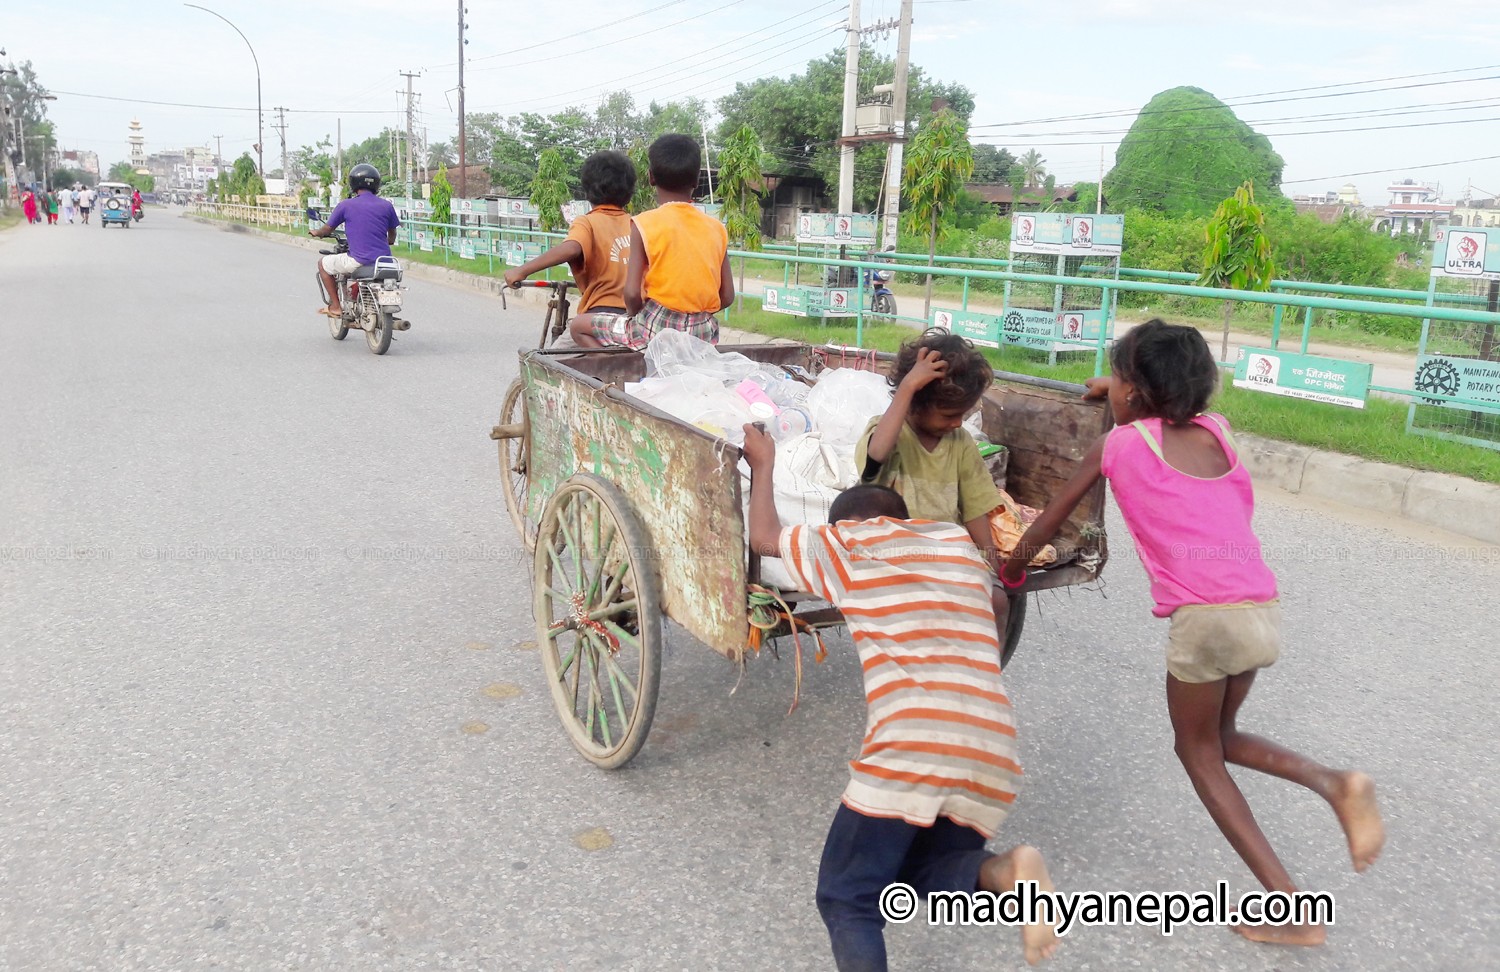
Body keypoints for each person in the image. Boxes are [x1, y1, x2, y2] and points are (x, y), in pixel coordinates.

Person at [999, 319, 1385, 946]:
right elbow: (1150, 407)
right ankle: (1336, 786)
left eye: (1118, 376)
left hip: (1203, 619)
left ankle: (1293, 901)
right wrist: (1116, 386)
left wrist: (1012, 568)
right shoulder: (1219, 432)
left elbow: (1048, 522)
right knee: (1221, 737)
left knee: (1197, 750)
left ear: (1135, 394)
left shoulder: (1120, 448)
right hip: (1259, 605)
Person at [743, 424, 1059, 970]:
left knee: (849, 897)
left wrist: (763, 461)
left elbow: (764, 537)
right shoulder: (953, 542)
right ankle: (1006, 872)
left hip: (914, 743)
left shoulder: (843, 544)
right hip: (992, 748)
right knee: (916, 879)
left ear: (844, 523)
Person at [857, 329, 1004, 575]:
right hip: (892, 556)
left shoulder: (961, 442)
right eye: (949, 415)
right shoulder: (888, 432)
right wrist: (909, 387)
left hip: (946, 552)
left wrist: (990, 559)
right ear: (914, 404)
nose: (958, 423)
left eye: (962, 414)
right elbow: (877, 455)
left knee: (997, 600)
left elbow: (975, 506)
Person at [573, 133, 733, 349]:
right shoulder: (717, 229)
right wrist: (694, 315)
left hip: (654, 327)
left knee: (578, 325)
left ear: (650, 177)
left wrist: (635, 316)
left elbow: (631, 294)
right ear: (696, 180)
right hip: (703, 332)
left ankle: (620, 370)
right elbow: (728, 296)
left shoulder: (643, 223)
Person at [504, 150, 634, 348]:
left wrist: (521, 271)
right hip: (635, 320)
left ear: (587, 190)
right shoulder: (637, 224)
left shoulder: (587, 222)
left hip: (597, 319)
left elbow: (572, 248)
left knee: (543, 366)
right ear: (629, 192)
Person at [308, 163, 401, 318]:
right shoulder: (387, 206)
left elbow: (327, 229)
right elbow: (392, 235)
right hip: (385, 261)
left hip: (359, 260)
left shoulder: (346, 205)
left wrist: (317, 232)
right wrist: (388, 241)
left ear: (353, 183)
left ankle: (336, 307)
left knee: (322, 264)